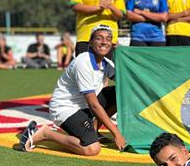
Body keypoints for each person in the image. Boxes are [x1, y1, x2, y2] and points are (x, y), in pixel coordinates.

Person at [18, 25, 126, 156]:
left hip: (84, 108)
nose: (104, 42)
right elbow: (93, 104)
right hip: (66, 109)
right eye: (99, 38)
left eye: (108, 39)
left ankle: (91, 131)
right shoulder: (83, 62)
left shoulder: (106, 63)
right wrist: (116, 133)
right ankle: (46, 133)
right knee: (92, 149)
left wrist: (120, 54)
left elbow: (126, 81)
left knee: (119, 93)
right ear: (91, 42)